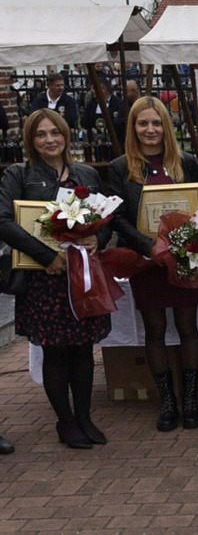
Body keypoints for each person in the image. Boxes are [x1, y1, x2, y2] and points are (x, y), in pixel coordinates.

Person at [0, 109, 109, 449]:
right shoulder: (19, 175)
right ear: (31, 140)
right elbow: (3, 221)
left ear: (66, 134)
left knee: (83, 348)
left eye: (55, 132)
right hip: (43, 279)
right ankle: (65, 422)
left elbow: (104, 220)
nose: (50, 140)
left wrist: (97, 241)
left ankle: (85, 417)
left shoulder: (86, 174)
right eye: (41, 134)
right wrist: (47, 257)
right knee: (56, 351)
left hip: (80, 276)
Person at [108, 97, 198, 431]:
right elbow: (117, 218)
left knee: (188, 326)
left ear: (167, 126)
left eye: (156, 123)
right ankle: (167, 402)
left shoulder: (185, 162)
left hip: (183, 259)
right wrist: (149, 247)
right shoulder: (122, 167)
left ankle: (190, 401)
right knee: (156, 330)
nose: (150, 130)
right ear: (132, 127)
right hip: (145, 261)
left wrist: (186, 246)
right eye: (142, 123)